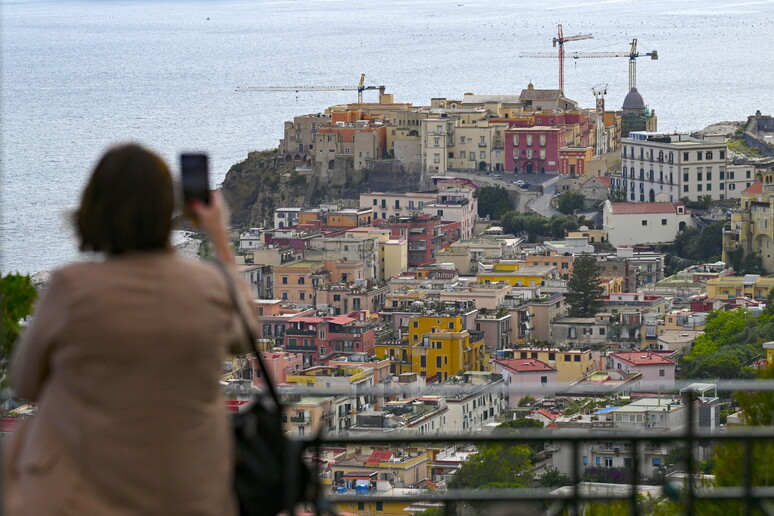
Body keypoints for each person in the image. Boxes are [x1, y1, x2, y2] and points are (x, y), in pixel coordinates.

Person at [3, 143, 253, 515]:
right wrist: (219, 238)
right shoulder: (206, 285)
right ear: (169, 211)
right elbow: (246, 333)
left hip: (91, 496)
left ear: (94, 209)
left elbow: (24, 382)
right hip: (194, 497)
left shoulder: (72, 288)